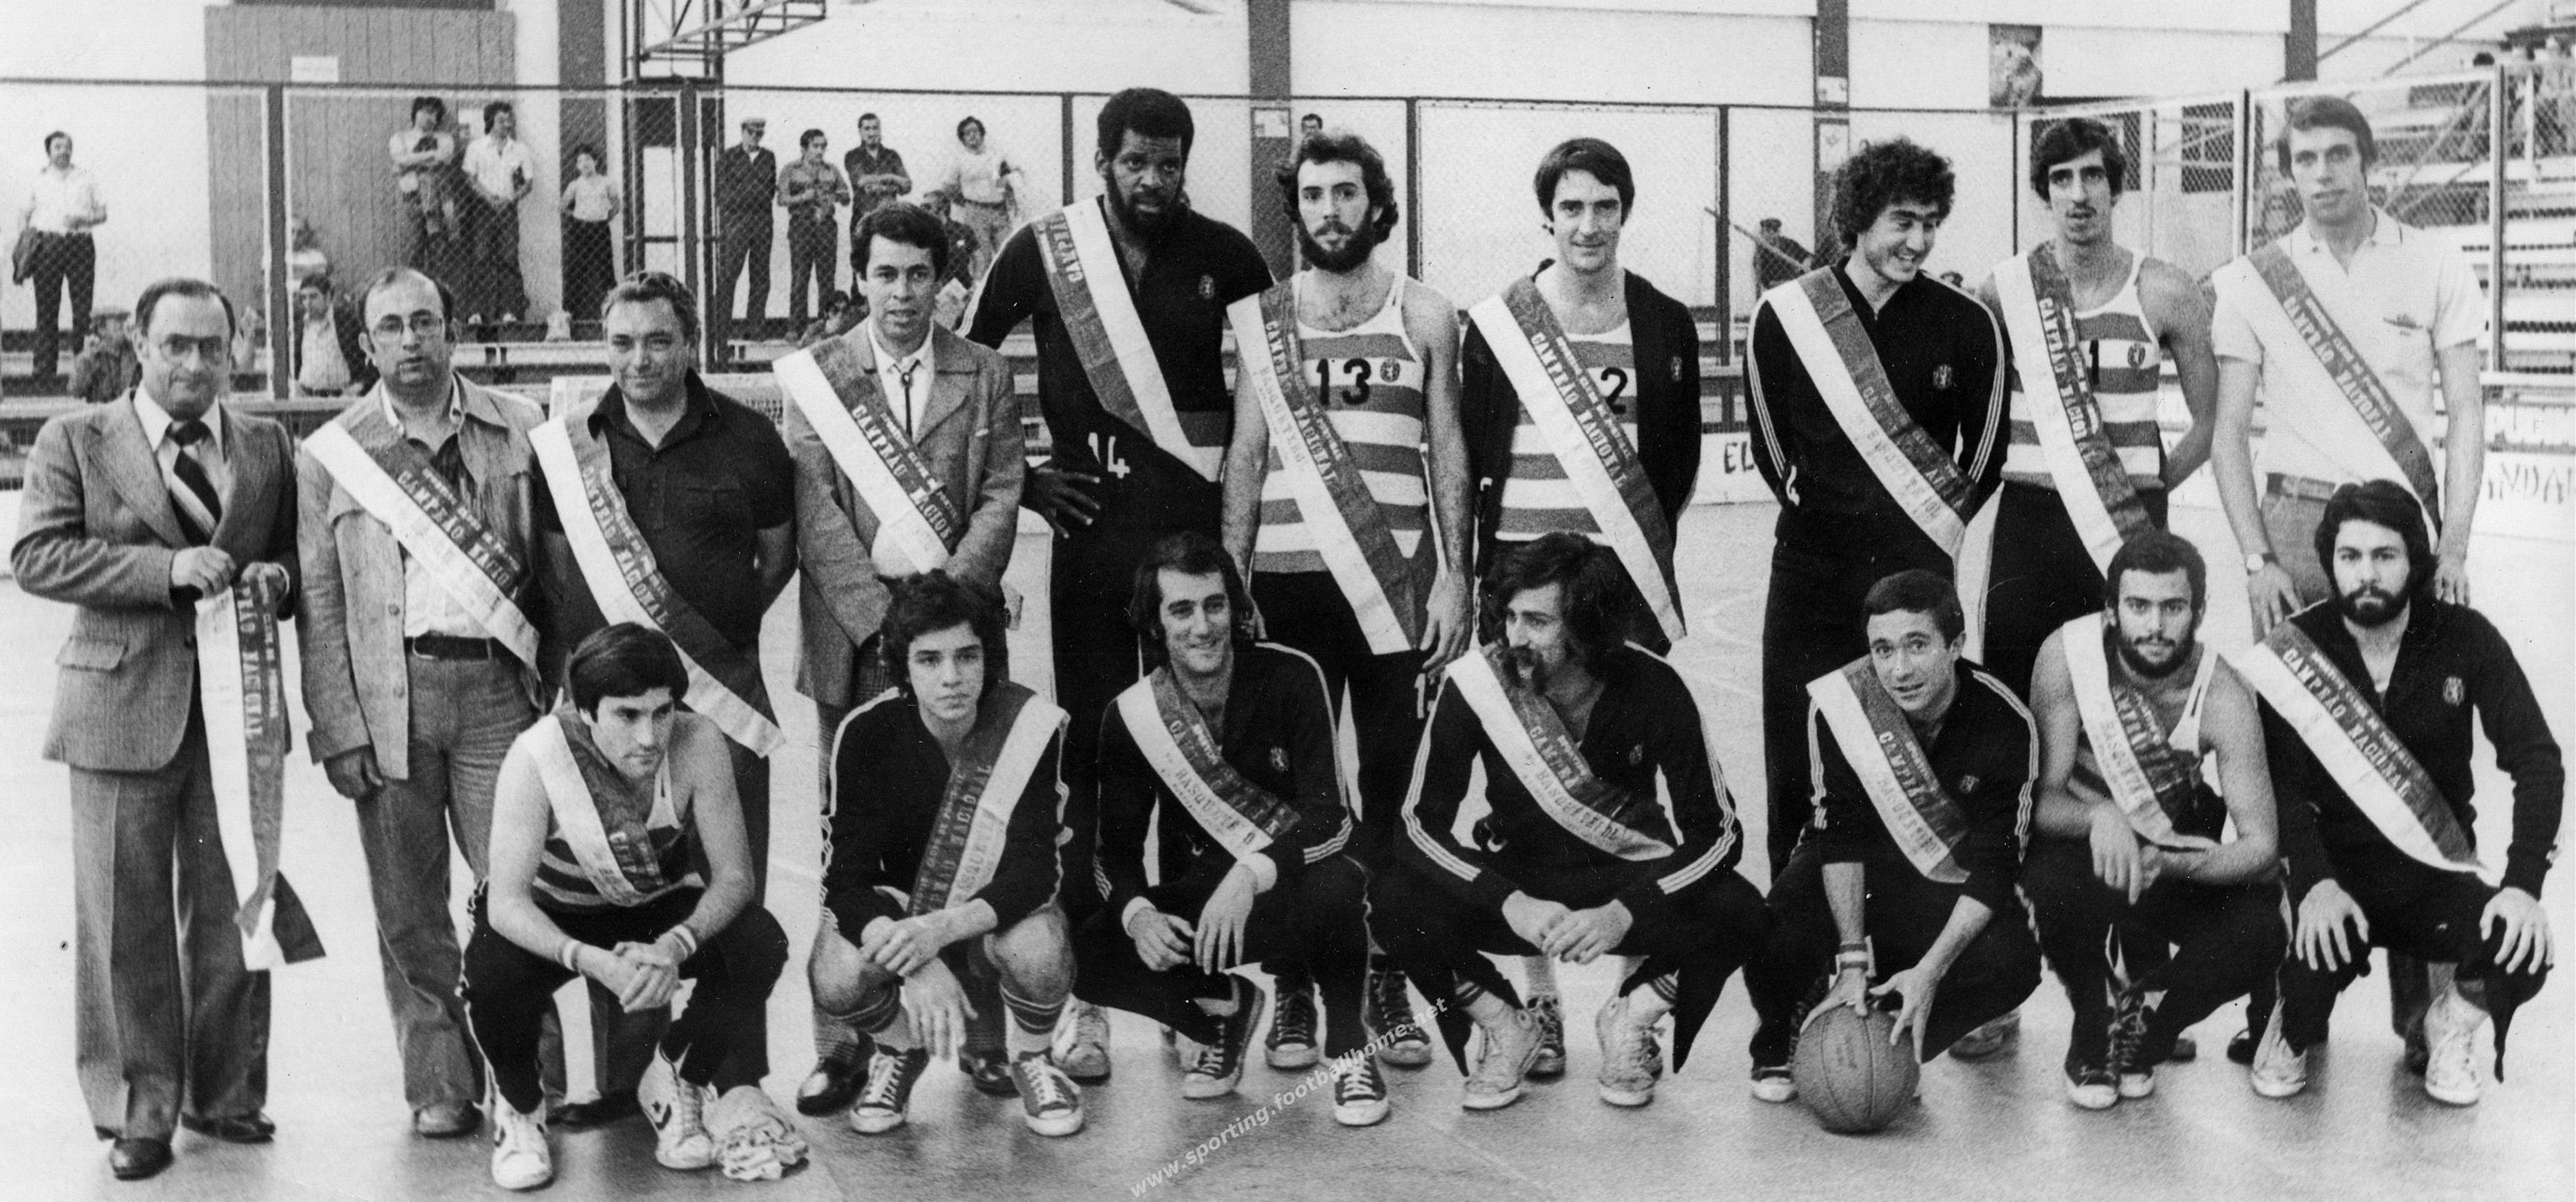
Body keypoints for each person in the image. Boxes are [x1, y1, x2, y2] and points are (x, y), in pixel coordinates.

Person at [965, 87, 1272, 1082]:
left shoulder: (1229, 255)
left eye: (1168, 162)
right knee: (1096, 758)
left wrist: (1238, 544)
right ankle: (1091, 994)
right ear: (1102, 162)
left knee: (1197, 758)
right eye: (1135, 161)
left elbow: (1269, 399)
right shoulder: (1041, 249)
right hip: (1089, 539)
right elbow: (968, 368)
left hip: (1189, 548)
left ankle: (1190, 991)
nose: (1152, 179)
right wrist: (1024, 479)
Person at [2207, 96, 2491, 1064]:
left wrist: (2454, 543)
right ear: (2286, 171)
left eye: (2337, 154)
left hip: (2401, 533)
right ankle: (2287, 1003)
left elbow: (2463, 411)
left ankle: (2430, 1012)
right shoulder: (2253, 278)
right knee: (2286, 756)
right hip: (2294, 528)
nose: (2321, 173)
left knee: (2417, 756)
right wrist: (2255, 558)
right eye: (2304, 159)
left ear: (2368, 162)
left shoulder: (2434, 261)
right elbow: (2226, 433)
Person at [15, 277, 310, 1181]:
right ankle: (136, 1109)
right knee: (124, 918)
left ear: (234, 352)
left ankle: (227, 1094)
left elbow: (294, 557)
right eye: (175, 344)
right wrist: (166, 570)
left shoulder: (265, 443)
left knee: (234, 909)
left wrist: (276, 582)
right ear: (139, 345)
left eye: (212, 347)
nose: (194, 363)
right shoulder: (75, 438)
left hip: (237, 712)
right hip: (117, 708)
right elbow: (35, 555)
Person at [1219, 130, 1469, 1074]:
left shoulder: (1427, 312)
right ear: (1297, 208)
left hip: (1394, 590)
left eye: (1347, 193)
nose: (1330, 210)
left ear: (1376, 203)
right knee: (1293, 798)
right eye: (1314, 195)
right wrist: (1234, 580)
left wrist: (1455, 576)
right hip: (1286, 591)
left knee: (1390, 793)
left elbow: (1447, 450)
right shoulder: (1261, 319)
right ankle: (1293, 980)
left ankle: (1385, 973)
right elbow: (1246, 456)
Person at [530, 270, 797, 1125]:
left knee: (732, 886)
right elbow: (554, 568)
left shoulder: (750, 436)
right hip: (608, 715)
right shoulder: (567, 445)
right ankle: (626, 1082)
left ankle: (732, 1076)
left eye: (657, 341)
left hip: (720, 695)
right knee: (616, 885)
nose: (638, 360)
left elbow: (776, 557)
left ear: (690, 342)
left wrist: (710, 646)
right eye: (620, 343)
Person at [1376, 533, 1767, 1112]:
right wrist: (1508, 901)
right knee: (1392, 897)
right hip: (1524, 882)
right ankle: (1509, 1025)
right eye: (1510, 617)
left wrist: (1624, 912)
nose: (1514, 637)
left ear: (1586, 625)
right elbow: (1417, 826)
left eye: (1537, 621)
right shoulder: (1477, 684)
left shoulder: (1655, 685)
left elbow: (1719, 834)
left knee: (1741, 909)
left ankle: (1631, 1016)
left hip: (1623, 882)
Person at [778, 201, 1026, 1114]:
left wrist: (945, 613)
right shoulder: (818, 377)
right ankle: (848, 1044)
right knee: (849, 832)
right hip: (855, 637)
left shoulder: (985, 371)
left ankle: (987, 1037)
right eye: (884, 273)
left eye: (919, 274)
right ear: (859, 277)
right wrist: (888, 628)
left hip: (958, 636)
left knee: (975, 820)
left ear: (942, 281)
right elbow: (813, 511)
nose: (901, 292)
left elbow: (1002, 491)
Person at [296, 266, 547, 1141]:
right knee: (407, 906)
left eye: (425, 321)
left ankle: (528, 1076)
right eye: (391, 326)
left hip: (500, 691)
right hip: (388, 696)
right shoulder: (330, 453)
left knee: (515, 890)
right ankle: (439, 1079)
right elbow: (320, 601)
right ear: (366, 345)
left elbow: (552, 568)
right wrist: (338, 726)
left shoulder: (522, 426)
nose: (411, 339)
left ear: (453, 331)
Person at [2244, 481, 2560, 1106]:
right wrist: (2315, 883)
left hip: (2434, 871)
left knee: (2522, 950)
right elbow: (2282, 787)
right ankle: (2291, 1025)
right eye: (2350, 556)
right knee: (2305, 967)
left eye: (2384, 556)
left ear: (2415, 559)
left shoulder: (2466, 636)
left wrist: (2523, 884)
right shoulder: (2297, 649)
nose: (2366, 574)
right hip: (2336, 875)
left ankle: (2448, 1026)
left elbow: (2538, 760)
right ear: (2330, 561)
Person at [1746, 137, 2007, 876]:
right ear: (1860, 218)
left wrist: (1928, 528)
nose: (1917, 241)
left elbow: (1986, 451)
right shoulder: (1785, 314)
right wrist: (1833, 517)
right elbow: (1771, 447)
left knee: (1916, 745)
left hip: (1916, 569)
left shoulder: (1966, 320)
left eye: (1930, 223)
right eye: (1902, 221)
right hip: (1810, 568)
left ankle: (1907, 907)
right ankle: (1795, 905)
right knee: (1795, 743)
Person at [465, 624, 797, 1190]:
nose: (649, 737)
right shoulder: (538, 756)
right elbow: (507, 904)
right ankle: (520, 1107)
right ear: (585, 712)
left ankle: (677, 1073)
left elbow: (735, 877)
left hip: (654, 908)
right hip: (559, 913)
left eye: (662, 712)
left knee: (759, 942)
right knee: (491, 974)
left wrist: (675, 946)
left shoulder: (699, 741)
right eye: (627, 715)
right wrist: (590, 961)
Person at [1078, 533, 1384, 1121]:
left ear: (1235, 608)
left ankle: (1350, 1045)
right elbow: (1113, 854)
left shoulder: (1292, 674)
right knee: (1090, 948)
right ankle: (1223, 1009)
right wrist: (1140, 917)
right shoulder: (1133, 715)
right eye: (1182, 610)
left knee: (1338, 883)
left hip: (1289, 885)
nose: (1202, 626)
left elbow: (1332, 819)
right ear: (1156, 623)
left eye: (1214, 605)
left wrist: (1249, 875)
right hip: (1206, 901)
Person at [1743, 569, 2041, 1100]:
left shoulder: (2005, 720)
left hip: (1940, 877)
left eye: (1916, 645)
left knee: (2012, 962)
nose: (1898, 670)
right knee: (1773, 929)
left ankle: (1892, 1034)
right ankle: (1786, 1028)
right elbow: (1839, 835)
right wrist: (1852, 958)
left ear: (1956, 645)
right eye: (1882, 650)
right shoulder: (1843, 704)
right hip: (1858, 863)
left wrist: (1930, 970)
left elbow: (1996, 865)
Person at [810, 573, 1082, 1137]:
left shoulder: (1028, 726)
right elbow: (846, 883)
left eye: (967, 656)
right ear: (902, 666)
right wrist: (917, 956)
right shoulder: (866, 732)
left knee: (1042, 948)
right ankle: (899, 1050)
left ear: (988, 658)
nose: (952, 677)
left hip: (988, 921)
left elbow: (1037, 870)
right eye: (930, 660)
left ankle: (1032, 1058)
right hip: (904, 918)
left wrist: (940, 929)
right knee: (835, 972)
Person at [2021, 530, 2285, 1109]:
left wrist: (2169, 862)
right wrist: (2101, 816)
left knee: (2261, 930)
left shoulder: (2224, 695)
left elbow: (2261, 844)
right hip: (2086, 847)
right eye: (2138, 606)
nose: (2156, 626)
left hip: (2164, 855)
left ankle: (2146, 1030)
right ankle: (2093, 1020)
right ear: (2112, 610)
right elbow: (2041, 803)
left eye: (2173, 607)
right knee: (2045, 881)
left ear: (2199, 612)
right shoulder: (2068, 657)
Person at [1974, 117, 2220, 698]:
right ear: (2045, 194)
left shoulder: (2164, 289)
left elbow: (2211, 420)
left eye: (2092, 176)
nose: (2078, 194)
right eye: (2062, 179)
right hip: (2029, 521)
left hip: (2126, 517)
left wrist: (2151, 484)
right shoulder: (2005, 291)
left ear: (2115, 188)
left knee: (2130, 688)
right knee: (2014, 684)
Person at [1462, 136, 1700, 661]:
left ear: (1624, 213)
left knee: (1621, 710)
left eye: (1605, 207)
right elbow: (1474, 452)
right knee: (1524, 712)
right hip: (1518, 564)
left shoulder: (1667, 321)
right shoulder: (1498, 324)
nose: (1589, 226)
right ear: (1547, 217)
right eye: (1571, 207)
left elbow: (1682, 459)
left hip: (1623, 564)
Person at [19, 131, 107, 380]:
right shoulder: (38, 179)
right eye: (58, 147)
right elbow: (24, 214)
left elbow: (102, 214)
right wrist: (26, 242)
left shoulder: (86, 178)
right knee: (46, 309)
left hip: (80, 245)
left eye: (68, 146)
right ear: (48, 151)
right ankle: (44, 370)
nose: (64, 151)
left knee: (83, 309)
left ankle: (84, 370)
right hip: (48, 247)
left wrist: (83, 219)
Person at [458, 102, 535, 324]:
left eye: (509, 120)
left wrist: (510, 199)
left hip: (507, 208)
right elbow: (470, 178)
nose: (507, 124)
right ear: (490, 121)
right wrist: (488, 197)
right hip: (482, 209)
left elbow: (528, 182)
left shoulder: (519, 149)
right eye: (501, 120)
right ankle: (477, 312)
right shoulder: (476, 147)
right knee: (480, 257)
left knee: (509, 258)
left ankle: (509, 311)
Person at [713, 118, 777, 353]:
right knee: (729, 274)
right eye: (751, 132)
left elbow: (768, 192)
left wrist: (744, 191)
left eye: (759, 133)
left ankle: (756, 327)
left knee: (760, 275)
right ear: (742, 132)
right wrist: (751, 193)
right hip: (736, 224)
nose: (755, 137)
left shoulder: (768, 157)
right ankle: (721, 327)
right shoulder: (729, 157)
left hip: (762, 223)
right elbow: (723, 195)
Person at [938, 116, 1025, 282]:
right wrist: (966, 201)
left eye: (975, 131)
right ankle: (981, 294)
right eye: (967, 133)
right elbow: (948, 186)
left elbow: (1012, 174)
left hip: (999, 212)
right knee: (982, 259)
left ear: (982, 133)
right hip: (975, 213)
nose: (972, 135)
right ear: (962, 138)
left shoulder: (996, 155)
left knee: (1007, 254)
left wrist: (1004, 186)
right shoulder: (959, 160)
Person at [779, 128, 852, 326]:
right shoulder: (791, 169)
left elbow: (846, 196)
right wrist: (803, 197)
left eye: (823, 146)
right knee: (800, 278)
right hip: (801, 227)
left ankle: (824, 325)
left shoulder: (831, 170)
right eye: (815, 146)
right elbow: (782, 199)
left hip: (826, 227)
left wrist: (834, 196)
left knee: (827, 278)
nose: (820, 151)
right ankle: (796, 326)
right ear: (804, 148)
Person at [390, 98, 460, 274]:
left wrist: (409, 163)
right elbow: (400, 159)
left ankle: (437, 286)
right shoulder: (400, 137)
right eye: (427, 111)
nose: (431, 117)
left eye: (435, 113)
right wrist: (431, 154)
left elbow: (445, 158)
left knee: (439, 247)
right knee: (415, 246)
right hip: (412, 197)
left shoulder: (445, 138)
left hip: (440, 198)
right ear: (415, 113)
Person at [560, 144, 620, 322]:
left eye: (587, 159)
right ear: (576, 166)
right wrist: (576, 216)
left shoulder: (607, 182)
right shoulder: (575, 185)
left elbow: (617, 204)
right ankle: (568, 312)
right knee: (575, 270)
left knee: (606, 270)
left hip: (600, 229)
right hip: (580, 230)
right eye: (580, 161)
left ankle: (614, 311)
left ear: (596, 161)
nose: (584, 163)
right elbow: (562, 206)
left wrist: (606, 217)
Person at [291, 274, 376, 398]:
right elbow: (292, 362)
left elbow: (372, 356)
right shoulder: (298, 326)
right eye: (303, 298)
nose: (307, 303)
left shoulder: (347, 321)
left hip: (341, 397)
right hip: (307, 398)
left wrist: (360, 386)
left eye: (313, 297)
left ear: (328, 297)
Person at [843, 112, 913, 250]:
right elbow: (862, 182)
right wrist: (893, 182)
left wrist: (886, 179)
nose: (871, 133)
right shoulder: (853, 156)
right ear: (860, 131)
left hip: (890, 217)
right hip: (863, 217)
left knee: (888, 256)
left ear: (880, 130)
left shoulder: (891, 156)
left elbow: (907, 185)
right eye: (867, 129)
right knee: (861, 258)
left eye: (875, 128)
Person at [68, 304, 139, 404]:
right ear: (102, 329)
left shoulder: (135, 353)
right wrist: (87, 362)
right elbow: (75, 392)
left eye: (124, 320)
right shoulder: (90, 356)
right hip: (101, 410)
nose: (123, 325)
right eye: (117, 320)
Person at [1752, 217, 1810, 295]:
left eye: (1769, 231)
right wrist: (1784, 284)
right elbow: (1765, 281)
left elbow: (1808, 256)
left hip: (1799, 284)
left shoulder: (1789, 243)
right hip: (1779, 290)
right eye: (1763, 232)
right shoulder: (1760, 253)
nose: (1766, 235)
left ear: (1777, 232)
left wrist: (1806, 264)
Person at [287, 217, 332, 288]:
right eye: (291, 231)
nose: (295, 237)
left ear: (306, 235)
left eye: (300, 233)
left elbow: (322, 276)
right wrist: (313, 269)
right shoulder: (272, 255)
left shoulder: (317, 256)